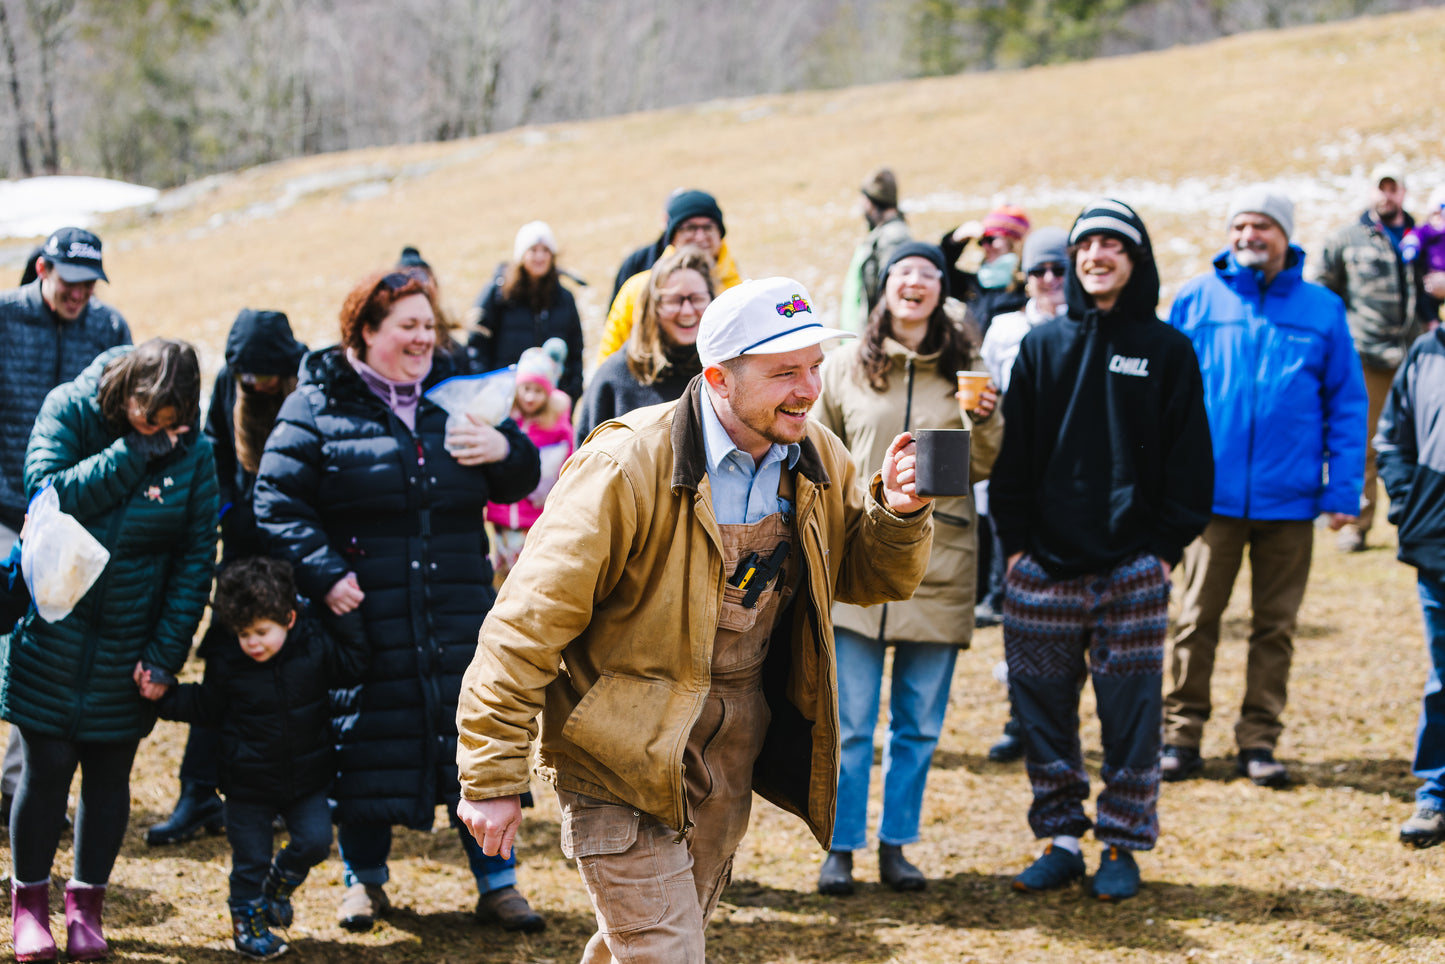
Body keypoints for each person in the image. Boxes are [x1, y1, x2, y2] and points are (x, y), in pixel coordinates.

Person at [455, 276, 936, 962]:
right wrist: (491, 776)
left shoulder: (816, 455)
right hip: (617, 750)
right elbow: (522, 628)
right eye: (783, 373)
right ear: (717, 377)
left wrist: (900, 511)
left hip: (730, 753)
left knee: (654, 942)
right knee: (666, 952)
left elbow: (865, 577)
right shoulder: (625, 465)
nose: (808, 389)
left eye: (813, 368)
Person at [253, 269, 545, 934]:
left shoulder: (456, 394)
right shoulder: (320, 402)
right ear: (365, 331)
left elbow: (521, 471)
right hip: (365, 608)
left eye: (427, 325)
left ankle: (498, 882)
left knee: (473, 734)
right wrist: (324, 573)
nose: (423, 338)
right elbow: (274, 499)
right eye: (406, 326)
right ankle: (364, 882)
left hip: (457, 602)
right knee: (367, 741)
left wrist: (503, 447)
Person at [990, 199, 1213, 901]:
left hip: (1131, 570)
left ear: (1135, 259)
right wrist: (1017, 550)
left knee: (1132, 717)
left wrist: (1163, 550)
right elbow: (1013, 458)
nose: (1096, 257)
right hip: (1042, 571)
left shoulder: (1167, 349)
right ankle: (1060, 839)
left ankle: (1121, 842)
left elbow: (1189, 461)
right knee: (1042, 715)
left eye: (1112, 246)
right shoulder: (1042, 346)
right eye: (1086, 246)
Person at [3, 339, 218, 962]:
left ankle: (86, 906)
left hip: (131, 639)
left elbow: (194, 558)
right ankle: (30, 908)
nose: (157, 430)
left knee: (108, 775)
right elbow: (47, 498)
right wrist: (131, 453)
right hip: (52, 624)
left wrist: (165, 653)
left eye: (170, 423)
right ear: (127, 391)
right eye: (146, 416)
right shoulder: (69, 409)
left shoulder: (193, 452)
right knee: (44, 770)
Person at [1161, 187, 1368, 788]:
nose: (1250, 236)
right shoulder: (1198, 299)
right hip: (1208, 499)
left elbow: (1348, 405)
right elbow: (1165, 400)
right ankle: (1180, 735)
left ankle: (1259, 740)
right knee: (1196, 618)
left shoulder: (1322, 308)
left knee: (1274, 626)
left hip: (1291, 499)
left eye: (1263, 227)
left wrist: (1342, 491)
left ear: (1285, 237)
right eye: (1241, 226)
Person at [813, 242, 1002, 896]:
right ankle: (839, 846)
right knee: (853, 724)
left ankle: (897, 845)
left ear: (940, 291)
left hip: (940, 563)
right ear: (884, 288)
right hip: (858, 561)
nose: (914, 282)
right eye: (902, 273)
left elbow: (979, 468)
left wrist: (984, 419)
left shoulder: (967, 369)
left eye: (926, 274)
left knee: (917, 726)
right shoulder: (841, 367)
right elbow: (815, 458)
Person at [148, 308, 308, 848]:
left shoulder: (309, 380)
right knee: (226, 660)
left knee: (295, 671)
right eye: (248, 377)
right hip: (241, 547)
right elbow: (213, 446)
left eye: (266, 376)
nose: (256, 385)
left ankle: (299, 796)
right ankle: (196, 794)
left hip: (297, 545)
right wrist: (227, 513)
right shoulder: (229, 380)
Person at [153, 557, 367, 959]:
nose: (253, 643)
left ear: (289, 618)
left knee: (316, 842)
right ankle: (246, 925)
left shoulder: (315, 647)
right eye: (244, 633)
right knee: (249, 859)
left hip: (306, 778)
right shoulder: (230, 665)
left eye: (262, 632)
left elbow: (354, 663)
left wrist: (349, 615)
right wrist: (163, 698)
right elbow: (205, 705)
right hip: (246, 786)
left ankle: (278, 886)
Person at [0, 227, 130, 824]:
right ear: (43, 268)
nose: (80, 295)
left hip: (75, 510)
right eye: (71, 282)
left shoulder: (108, 329)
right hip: (5, 503)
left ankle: (16, 784)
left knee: (45, 634)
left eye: (89, 284)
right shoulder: (5, 318)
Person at [975, 225, 1069, 763]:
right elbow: (984, 394)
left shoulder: (1086, 326)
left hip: (1068, 484)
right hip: (1014, 478)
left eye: (1059, 269)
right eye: (1039, 270)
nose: (1050, 280)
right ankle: (1020, 715)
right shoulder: (1005, 328)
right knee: (1017, 600)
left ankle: (1059, 720)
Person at [1311, 161, 1425, 552]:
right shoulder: (1346, 240)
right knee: (1365, 443)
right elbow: (1321, 294)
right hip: (1366, 356)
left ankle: (1420, 519)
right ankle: (1356, 524)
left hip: (1417, 359)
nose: (1388, 194)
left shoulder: (1423, 237)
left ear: (1404, 193)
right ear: (1371, 191)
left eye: (1394, 188)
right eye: (1382, 187)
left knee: (1422, 441)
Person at [1374, 324, 1445, 848]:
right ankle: (1437, 795)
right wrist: (1408, 503)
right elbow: (1391, 437)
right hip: (1438, 537)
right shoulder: (1427, 349)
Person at [573, 246, 714, 444]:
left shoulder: (722, 373)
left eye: (697, 299)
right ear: (652, 306)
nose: (688, 311)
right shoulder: (614, 380)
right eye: (674, 300)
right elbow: (586, 466)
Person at [597, 189, 742, 361]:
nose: (700, 236)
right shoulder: (638, 289)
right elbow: (610, 351)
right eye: (690, 228)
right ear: (672, 236)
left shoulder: (739, 292)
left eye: (708, 227)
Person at [485, 339, 574, 582]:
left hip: (533, 517)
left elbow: (566, 465)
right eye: (526, 389)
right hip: (502, 516)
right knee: (501, 574)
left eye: (538, 391)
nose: (531, 397)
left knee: (526, 577)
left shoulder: (556, 427)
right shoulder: (505, 422)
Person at [465, 223, 585, 404]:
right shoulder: (499, 293)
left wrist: (571, 392)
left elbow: (575, 349)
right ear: (521, 255)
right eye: (533, 249)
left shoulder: (564, 298)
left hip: (551, 402)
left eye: (546, 250)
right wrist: (487, 387)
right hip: (505, 398)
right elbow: (477, 341)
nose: (540, 256)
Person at [839, 167, 911, 333]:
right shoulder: (881, 235)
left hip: (877, 339)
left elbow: (891, 295)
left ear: (870, 202)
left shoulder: (894, 237)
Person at [940, 205, 1030, 335]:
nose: (985, 247)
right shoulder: (975, 285)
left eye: (990, 240)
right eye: (981, 242)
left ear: (1014, 241)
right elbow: (940, 272)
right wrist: (955, 241)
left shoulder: (1029, 284)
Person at [1401, 186, 1445, 326]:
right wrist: (1410, 248)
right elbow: (1414, 237)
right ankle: (1433, 326)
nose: (1437, 218)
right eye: (1434, 214)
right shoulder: (1425, 230)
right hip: (1429, 280)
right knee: (1425, 304)